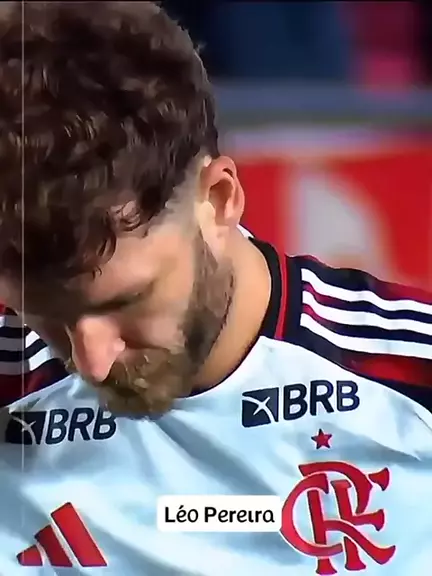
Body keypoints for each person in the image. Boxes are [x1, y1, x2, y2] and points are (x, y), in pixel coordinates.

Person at [0, 3, 431, 575]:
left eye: (127, 301)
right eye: (43, 313)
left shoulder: (411, 381)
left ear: (219, 199)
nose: (92, 361)